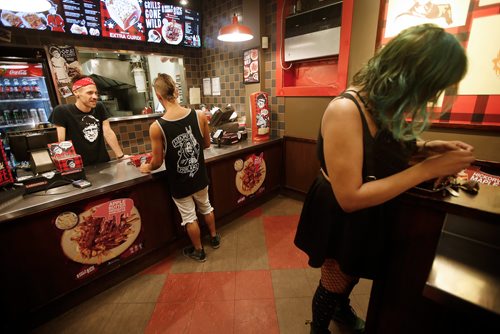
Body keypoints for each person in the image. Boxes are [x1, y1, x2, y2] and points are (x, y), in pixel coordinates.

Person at [294, 24, 475, 334]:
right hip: (341, 211)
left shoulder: (380, 105)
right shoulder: (345, 110)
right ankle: (319, 328)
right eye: (432, 86)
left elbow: (380, 150)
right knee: (335, 278)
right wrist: (429, 168)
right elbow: (349, 198)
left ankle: (341, 310)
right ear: (411, 75)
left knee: (352, 271)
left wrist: (428, 149)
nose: (433, 95)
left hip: (373, 203)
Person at [140, 73, 220, 262]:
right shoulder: (199, 115)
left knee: (189, 217)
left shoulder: (157, 127)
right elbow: (207, 144)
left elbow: (157, 162)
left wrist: (146, 167)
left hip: (180, 182)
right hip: (200, 176)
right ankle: (214, 238)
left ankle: (199, 251)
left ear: (158, 97)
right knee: (206, 207)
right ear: (176, 91)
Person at [50, 76, 126, 166]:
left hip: (103, 162)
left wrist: (121, 156)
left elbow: (108, 132)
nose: (95, 97)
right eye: (90, 93)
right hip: (79, 165)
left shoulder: (99, 107)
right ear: (76, 92)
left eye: (96, 93)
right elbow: (61, 141)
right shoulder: (61, 111)